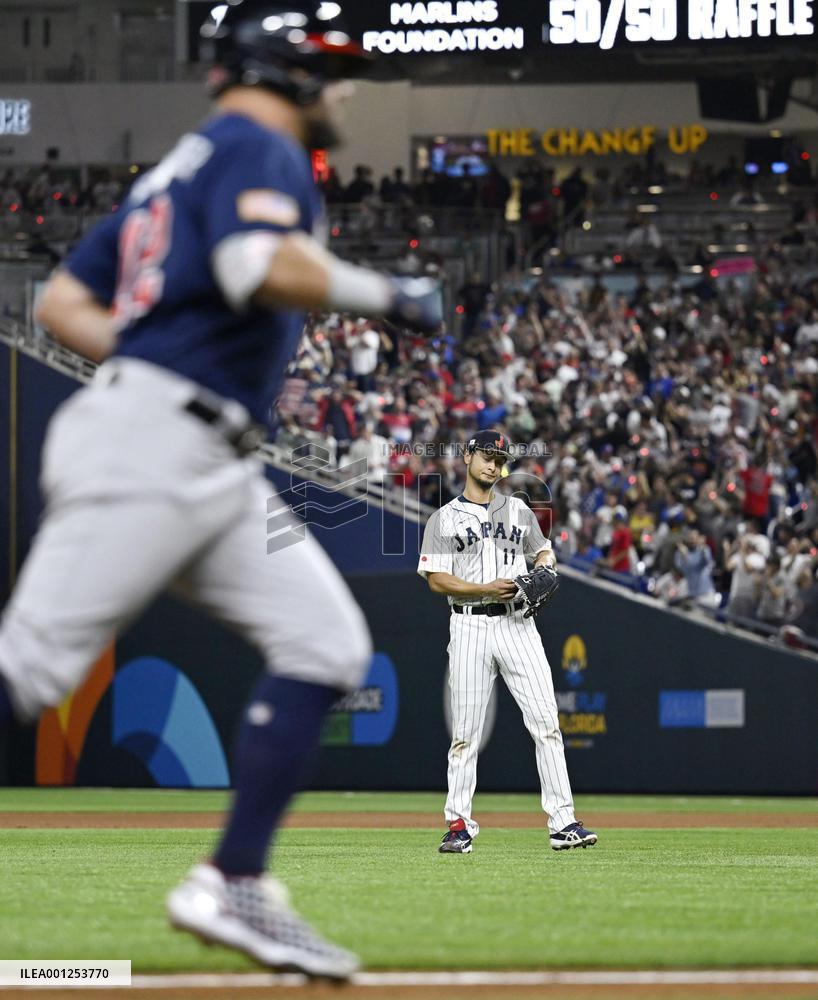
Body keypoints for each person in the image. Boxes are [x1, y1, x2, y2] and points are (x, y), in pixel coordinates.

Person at [0, 0, 441, 980]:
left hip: (199, 446)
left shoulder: (180, 167)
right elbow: (253, 264)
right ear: (289, 71)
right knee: (26, 671)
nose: (341, 94)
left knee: (326, 644)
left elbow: (62, 303)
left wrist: (155, 355)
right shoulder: (257, 144)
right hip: (157, 442)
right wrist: (391, 295)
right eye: (328, 72)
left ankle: (233, 881)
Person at [417, 430, 597, 855]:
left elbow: (544, 552)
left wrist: (546, 568)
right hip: (469, 626)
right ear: (468, 456)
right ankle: (458, 825)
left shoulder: (519, 510)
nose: (493, 465)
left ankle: (563, 822)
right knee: (465, 734)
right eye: (486, 456)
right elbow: (437, 580)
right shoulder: (444, 519)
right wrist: (484, 588)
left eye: (499, 459)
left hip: (518, 624)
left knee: (547, 724)